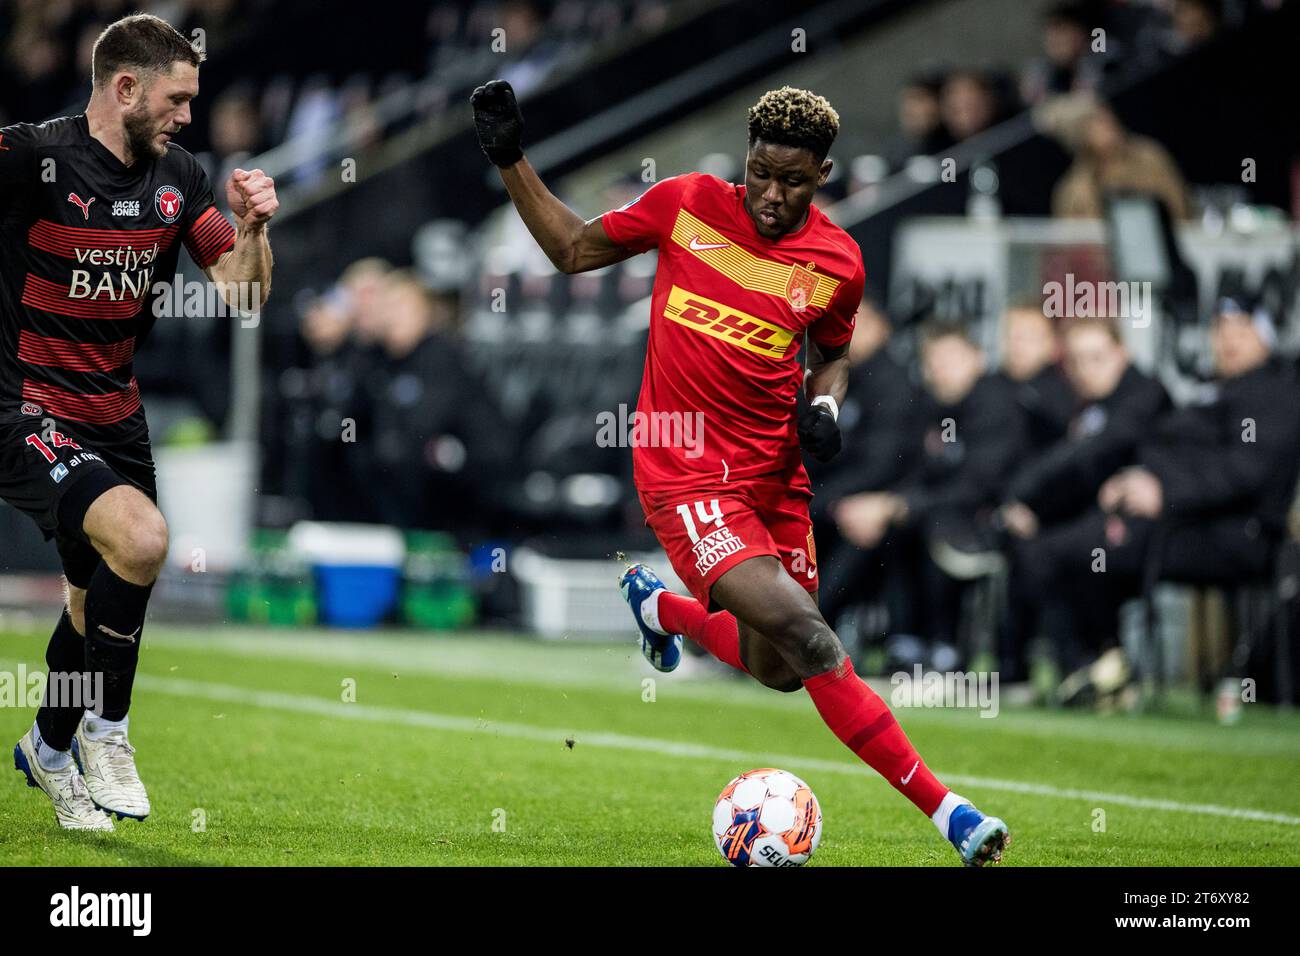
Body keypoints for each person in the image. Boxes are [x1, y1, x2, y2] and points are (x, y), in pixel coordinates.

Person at [472, 79, 1010, 865]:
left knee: (782, 670)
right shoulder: (687, 204)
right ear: (747, 158)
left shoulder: (838, 261)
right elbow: (572, 248)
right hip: (682, 467)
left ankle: (664, 611)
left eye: (791, 180)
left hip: (774, 479)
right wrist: (510, 157)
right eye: (760, 171)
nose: (769, 192)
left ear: (822, 176)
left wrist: (824, 409)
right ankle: (951, 815)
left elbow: (831, 358)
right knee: (814, 641)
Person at [2, 14, 278, 830]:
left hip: (115, 416)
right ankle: (107, 735)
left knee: (93, 603)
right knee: (145, 539)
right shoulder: (32, 158)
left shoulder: (181, 176)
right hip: (26, 407)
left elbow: (247, 291)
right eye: (177, 99)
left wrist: (256, 230)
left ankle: (48, 751)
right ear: (125, 88)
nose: (188, 116)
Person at [1020, 301, 1300, 697]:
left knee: (1076, 550)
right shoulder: (1214, 390)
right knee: (1072, 543)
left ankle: (1095, 666)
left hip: (1234, 534)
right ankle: (1100, 664)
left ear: (1265, 337)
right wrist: (1130, 481)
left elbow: (1245, 473)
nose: (1230, 340)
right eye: (1222, 329)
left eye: (1242, 330)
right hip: (1180, 522)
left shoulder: (1276, 396)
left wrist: (1164, 493)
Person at [998, 316, 1171, 681]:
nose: (1084, 370)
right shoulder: (1089, 404)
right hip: (1097, 524)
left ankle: (1082, 665)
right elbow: (1074, 470)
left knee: (1050, 553)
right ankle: (1071, 665)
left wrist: (1025, 495)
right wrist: (1030, 510)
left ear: (1122, 353)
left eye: (1096, 358)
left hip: (1153, 530)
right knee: (1031, 544)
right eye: (1075, 361)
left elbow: (1091, 452)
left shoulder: (1145, 393)